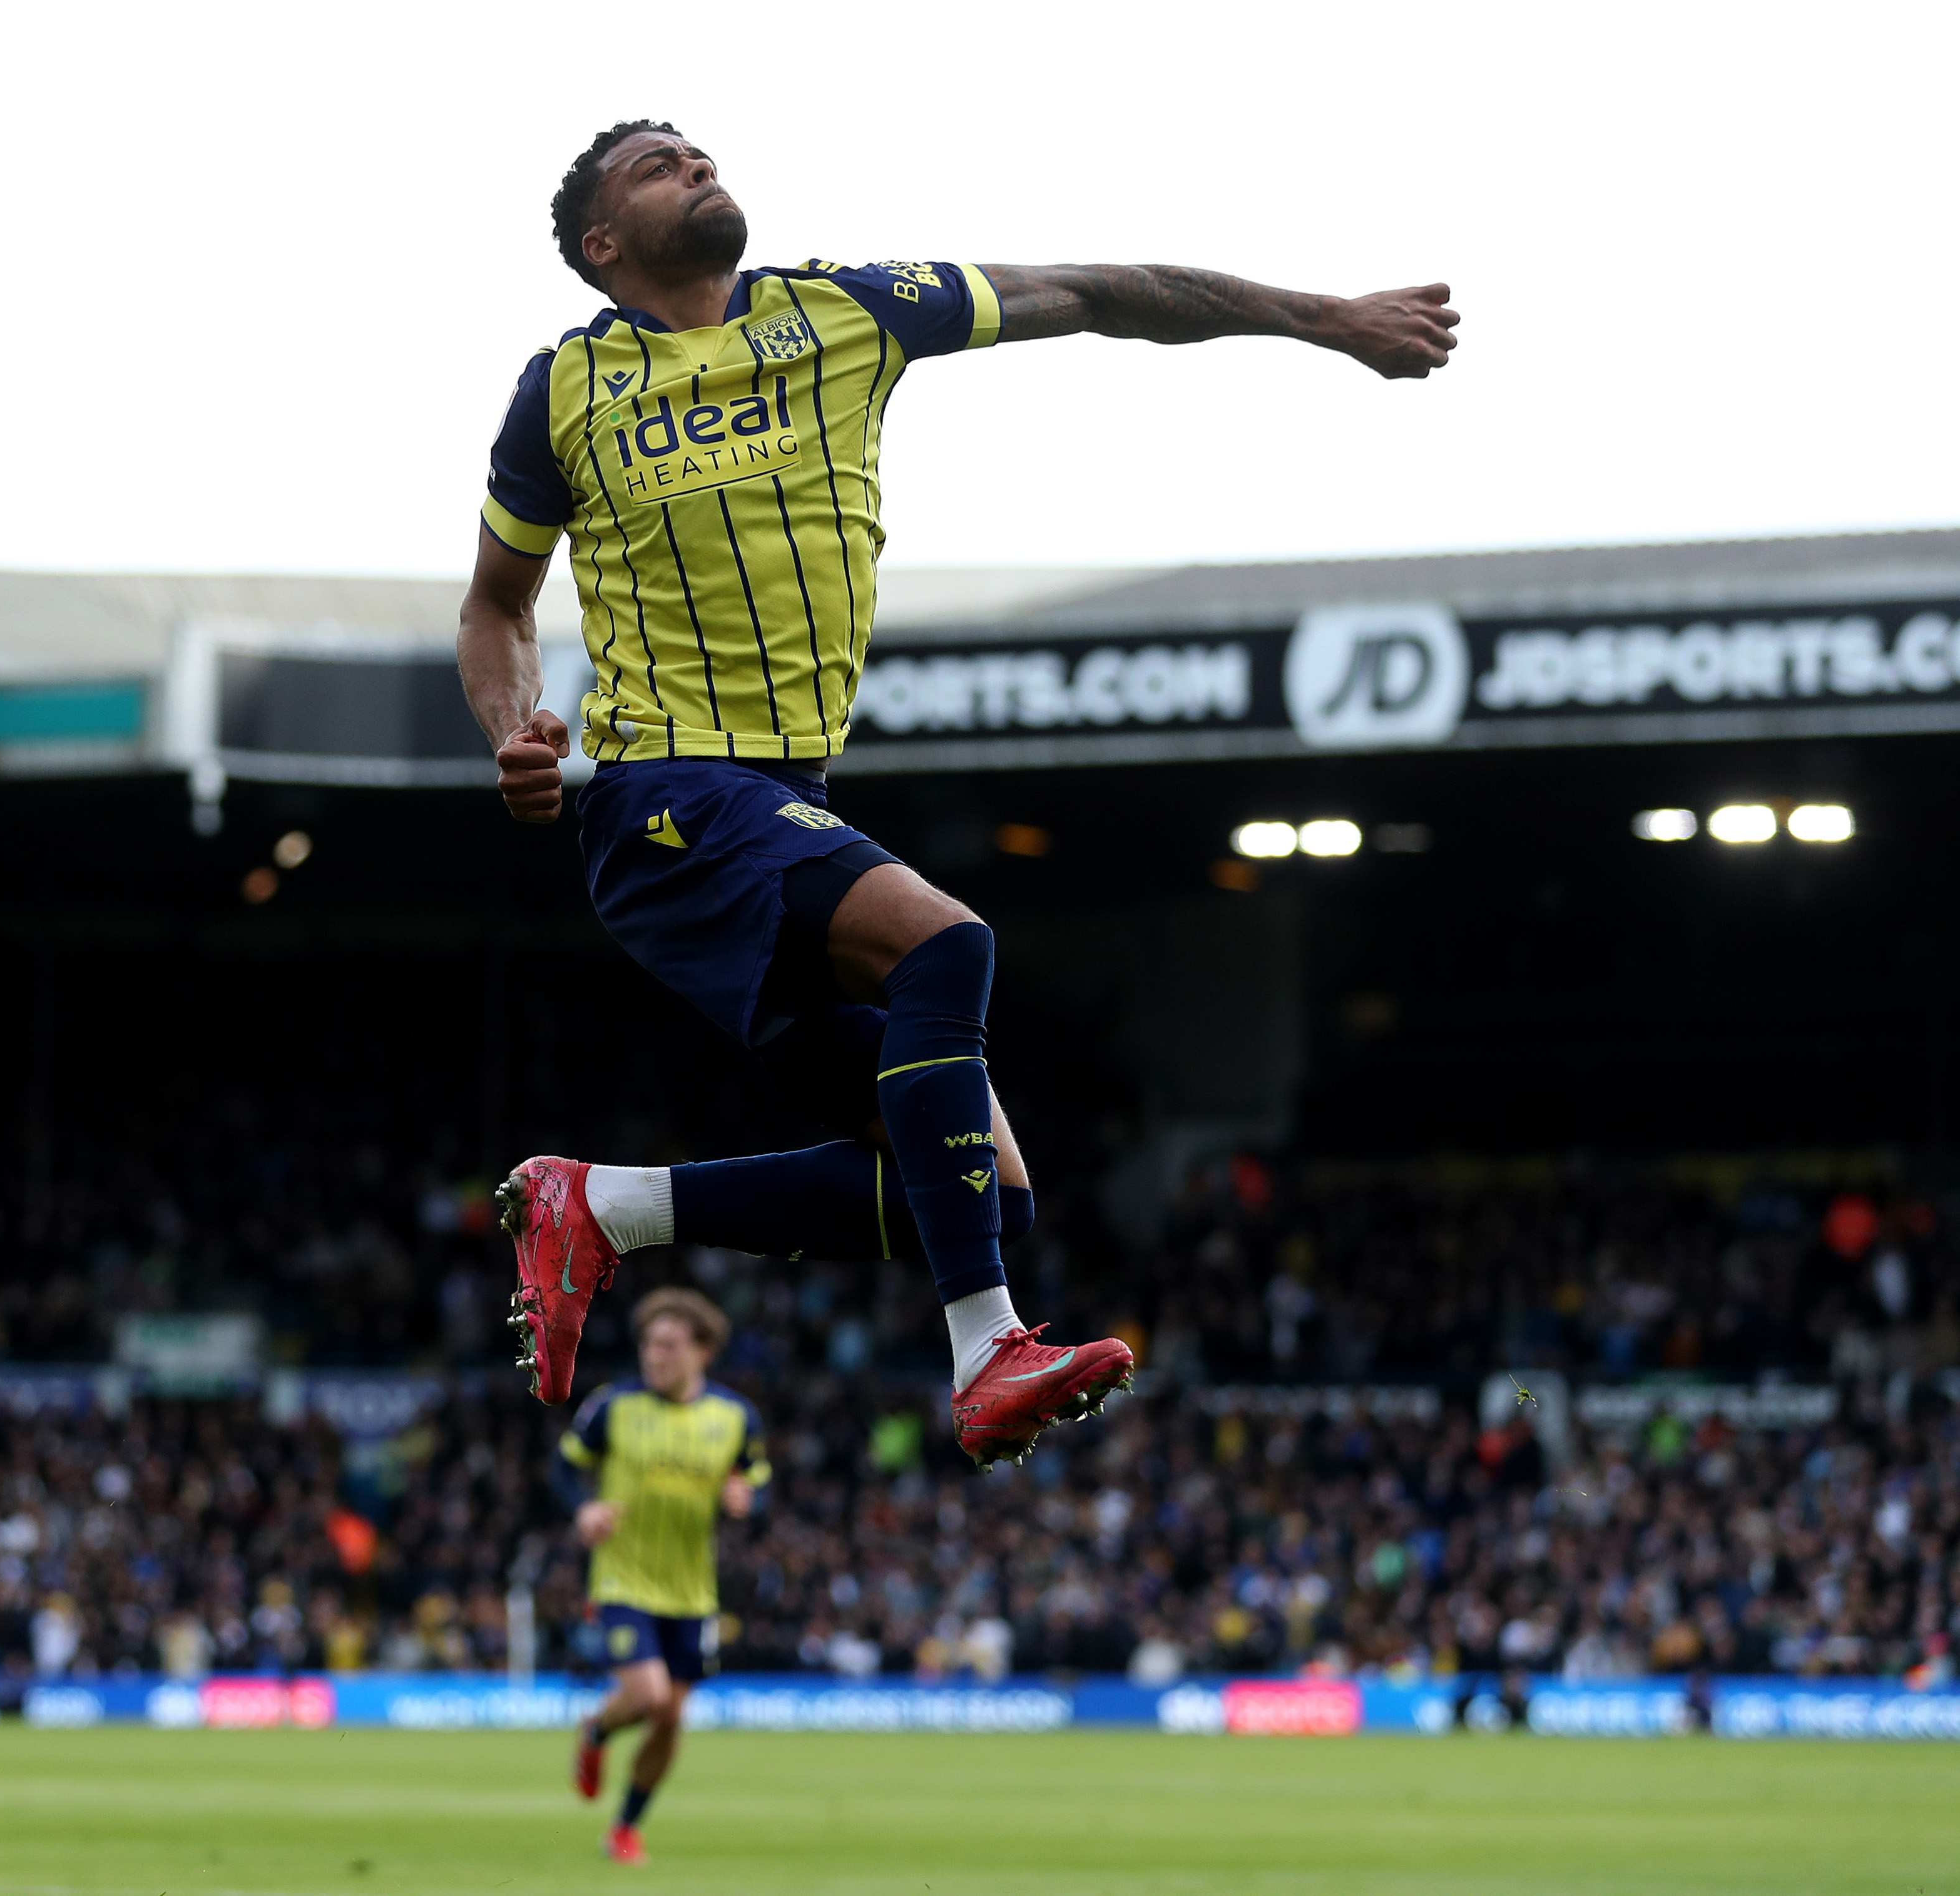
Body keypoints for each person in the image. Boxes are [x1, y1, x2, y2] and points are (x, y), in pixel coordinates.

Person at [461, 121, 1459, 1466]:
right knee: (949, 940)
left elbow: (1100, 294)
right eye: (657, 165)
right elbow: (496, 606)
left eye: (698, 151)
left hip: (777, 800)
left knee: (985, 1192)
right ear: (603, 244)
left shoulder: (847, 310)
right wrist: (510, 727)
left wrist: (1323, 318)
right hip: (664, 795)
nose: (696, 165)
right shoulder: (562, 391)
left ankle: (608, 1206)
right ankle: (986, 1345)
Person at [550, 1286, 767, 1865]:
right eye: (649, 1344)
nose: (655, 1355)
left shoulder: (735, 1417)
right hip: (623, 1578)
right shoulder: (612, 1406)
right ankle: (597, 1729)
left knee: (670, 1714)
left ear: (703, 1351)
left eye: (669, 1345)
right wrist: (583, 1507)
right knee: (647, 1695)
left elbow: (757, 1481)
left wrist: (746, 1496)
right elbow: (563, 1468)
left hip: (693, 1591)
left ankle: (625, 1827)